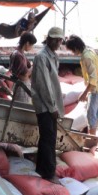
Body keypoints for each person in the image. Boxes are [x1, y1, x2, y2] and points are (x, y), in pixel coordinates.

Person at [30, 26, 64, 184]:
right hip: (45, 105)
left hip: (50, 105)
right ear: (49, 39)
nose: (58, 42)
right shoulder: (42, 57)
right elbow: (44, 86)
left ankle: (42, 169)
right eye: (55, 39)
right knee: (48, 138)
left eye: (60, 40)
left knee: (48, 138)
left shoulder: (53, 56)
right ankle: (49, 172)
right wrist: (52, 108)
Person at [65, 35, 98, 138]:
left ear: (75, 48)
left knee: (91, 115)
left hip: (95, 89)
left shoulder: (86, 57)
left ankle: (92, 138)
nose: (73, 53)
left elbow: (93, 79)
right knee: (96, 114)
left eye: (72, 51)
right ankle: (94, 136)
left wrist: (84, 94)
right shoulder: (90, 51)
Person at [9, 32, 37, 104]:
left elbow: (29, 67)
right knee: (22, 109)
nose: (32, 47)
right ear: (27, 43)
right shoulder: (18, 55)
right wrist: (35, 65)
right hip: (22, 86)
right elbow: (25, 74)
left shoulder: (20, 53)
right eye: (31, 45)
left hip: (22, 85)